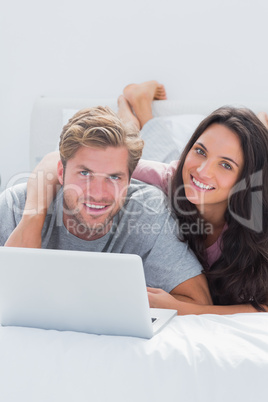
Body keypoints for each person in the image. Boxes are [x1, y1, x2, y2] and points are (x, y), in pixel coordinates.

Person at [5, 81, 268, 314]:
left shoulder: (256, 220)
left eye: (226, 165)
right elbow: (58, 159)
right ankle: (135, 114)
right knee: (135, 145)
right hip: (171, 178)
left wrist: (184, 309)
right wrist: (32, 220)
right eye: (199, 151)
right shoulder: (168, 178)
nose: (203, 170)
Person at [0, 105, 211, 307]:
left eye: (114, 177)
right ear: (61, 173)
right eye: (85, 173)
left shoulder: (149, 209)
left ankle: (139, 110)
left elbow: (199, 302)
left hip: (165, 178)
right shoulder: (15, 206)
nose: (98, 193)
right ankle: (132, 115)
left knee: (165, 163)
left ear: (129, 180)